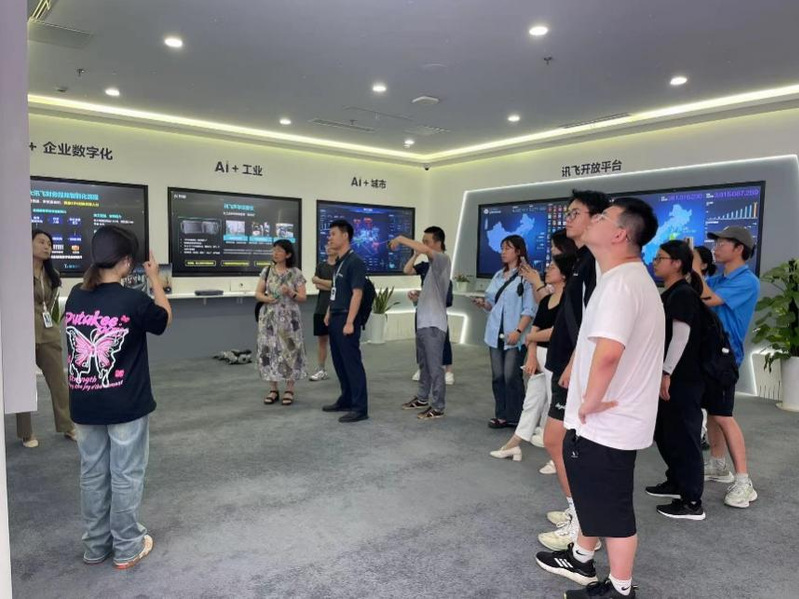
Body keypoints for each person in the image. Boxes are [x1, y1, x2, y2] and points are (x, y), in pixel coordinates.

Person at [536, 197, 663, 599]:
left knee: (613, 510)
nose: (592, 221)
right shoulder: (619, 277)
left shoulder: (622, 284)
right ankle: (581, 557)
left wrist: (589, 401)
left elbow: (609, 352)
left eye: (602, 217)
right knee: (595, 496)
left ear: (620, 234)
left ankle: (621, 589)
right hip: (609, 420)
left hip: (608, 422)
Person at [65, 225, 171, 569]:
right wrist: (154, 278)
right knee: (125, 474)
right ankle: (127, 546)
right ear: (126, 262)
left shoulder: (76, 295)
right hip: (125, 403)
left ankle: (96, 545)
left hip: (85, 402)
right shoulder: (133, 300)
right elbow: (164, 319)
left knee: (92, 474)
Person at [537, 190, 610, 551]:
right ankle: (577, 512)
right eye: (567, 213)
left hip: (576, 369)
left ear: (596, 219)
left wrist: (574, 363)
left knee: (559, 442)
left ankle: (583, 522)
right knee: (559, 443)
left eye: (575, 213)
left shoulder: (596, 264)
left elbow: (594, 324)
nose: (567, 219)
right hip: (567, 364)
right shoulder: (581, 260)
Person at [693, 226, 760, 508]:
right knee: (713, 412)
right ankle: (719, 465)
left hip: (725, 356)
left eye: (722, 243)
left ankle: (744, 481)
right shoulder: (719, 279)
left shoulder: (747, 281)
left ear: (739, 249)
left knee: (723, 415)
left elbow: (709, 299)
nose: (716, 247)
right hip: (708, 353)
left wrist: (695, 268)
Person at [489, 253, 575, 461]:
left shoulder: (568, 300)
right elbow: (536, 326)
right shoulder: (546, 300)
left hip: (557, 357)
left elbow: (557, 332)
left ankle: (558, 458)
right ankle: (514, 444)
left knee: (555, 406)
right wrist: (532, 354)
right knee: (532, 402)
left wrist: (530, 337)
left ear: (564, 274)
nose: (548, 270)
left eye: (553, 267)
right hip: (540, 357)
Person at [646, 241, 706, 520]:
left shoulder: (683, 294)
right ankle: (676, 482)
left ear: (677, 263)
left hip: (683, 379)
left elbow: (681, 337)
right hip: (672, 377)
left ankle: (692, 501)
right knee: (666, 433)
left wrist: (666, 372)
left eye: (660, 258)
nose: (655, 262)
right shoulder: (671, 293)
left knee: (684, 437)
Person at [17, 229, 76, 448]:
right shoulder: (17, 271)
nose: (46, 247)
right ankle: (26, 432)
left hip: (48, 331)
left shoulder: (52, 274)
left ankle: (67, 425)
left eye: (49, 244)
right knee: (24, 383)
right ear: (29, 244)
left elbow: (50, 304)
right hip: (24, 331)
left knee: (59, 382)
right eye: (41, 242)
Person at [471, 235, 535, 428]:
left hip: (515, 334)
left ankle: (517, 416)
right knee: (497, 376)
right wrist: (483, 304)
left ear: (518, 251)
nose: (503, 252)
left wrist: (518, 331)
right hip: (494, 332)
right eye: (502, 248)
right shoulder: (499, 275)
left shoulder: (527, 277)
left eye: (507, 248)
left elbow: (529, 309)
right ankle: (501, 415)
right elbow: (493, 304)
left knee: (511, 376)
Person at [391, 227, 452, 419]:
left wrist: (400, 238)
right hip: (423, 321)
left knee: (435, 367)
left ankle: (438, 406)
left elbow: (425, 250)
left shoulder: (442, 259)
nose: (423, 244)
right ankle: (422, 397)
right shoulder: (430, 267)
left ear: (437, 243)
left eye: (427, 241)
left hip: (434, 324)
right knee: (424, 365)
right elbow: (407, 270)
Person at [321, 220, 369, 423]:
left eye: (333, 234)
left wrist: (350, 322)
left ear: (345, 235)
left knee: (351, 363)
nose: (329, 238)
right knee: (340, 363)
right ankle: (346, 399)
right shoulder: (339, 262)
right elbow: (336, 291)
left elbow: (357, 293)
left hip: (347, 318)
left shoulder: (355, 262)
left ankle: (360, 408)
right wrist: (329, 311)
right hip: (335, 316)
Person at [255, 239, 308, 405]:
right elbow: (258, 293)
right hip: (270, 319)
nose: (275, 253)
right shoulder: (267, 271)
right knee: (270, 351)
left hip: (290, 320)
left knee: (290, 351)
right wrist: (267, 298)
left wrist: (291, 292)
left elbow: (303, 297)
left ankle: (289, 389)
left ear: (288, 254)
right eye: (274, 250)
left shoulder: (296, 273)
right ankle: (273, 389)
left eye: (279, 250)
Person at [405, 252, 456, 386]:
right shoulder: (424, 266)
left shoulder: (444, 271)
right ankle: (423, 368)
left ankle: (448, 370)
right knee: (421, 340)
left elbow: (446, 300)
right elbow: (407, 270)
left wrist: (423, 295)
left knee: (443, 340)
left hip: (438, 312)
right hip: (423, 311)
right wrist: (415, 255)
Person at [520, 228, 578, 304]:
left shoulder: (574, 268)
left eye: (554, 246)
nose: (551, 250)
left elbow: (551, 305)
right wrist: (534, 282)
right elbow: (541, 303)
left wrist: (537, 281)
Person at [309, 243, 337, 381]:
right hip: (321, 307)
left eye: (332, 245)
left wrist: (320, 281)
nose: (329, 248)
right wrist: (331, 285)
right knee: (322, 340)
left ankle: (343, 370)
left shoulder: (340, 266)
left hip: (336, 308)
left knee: (338, 342)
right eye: (327, 246)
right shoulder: (321, 266)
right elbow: (317, 285)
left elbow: (337, 286)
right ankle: (321, 369)